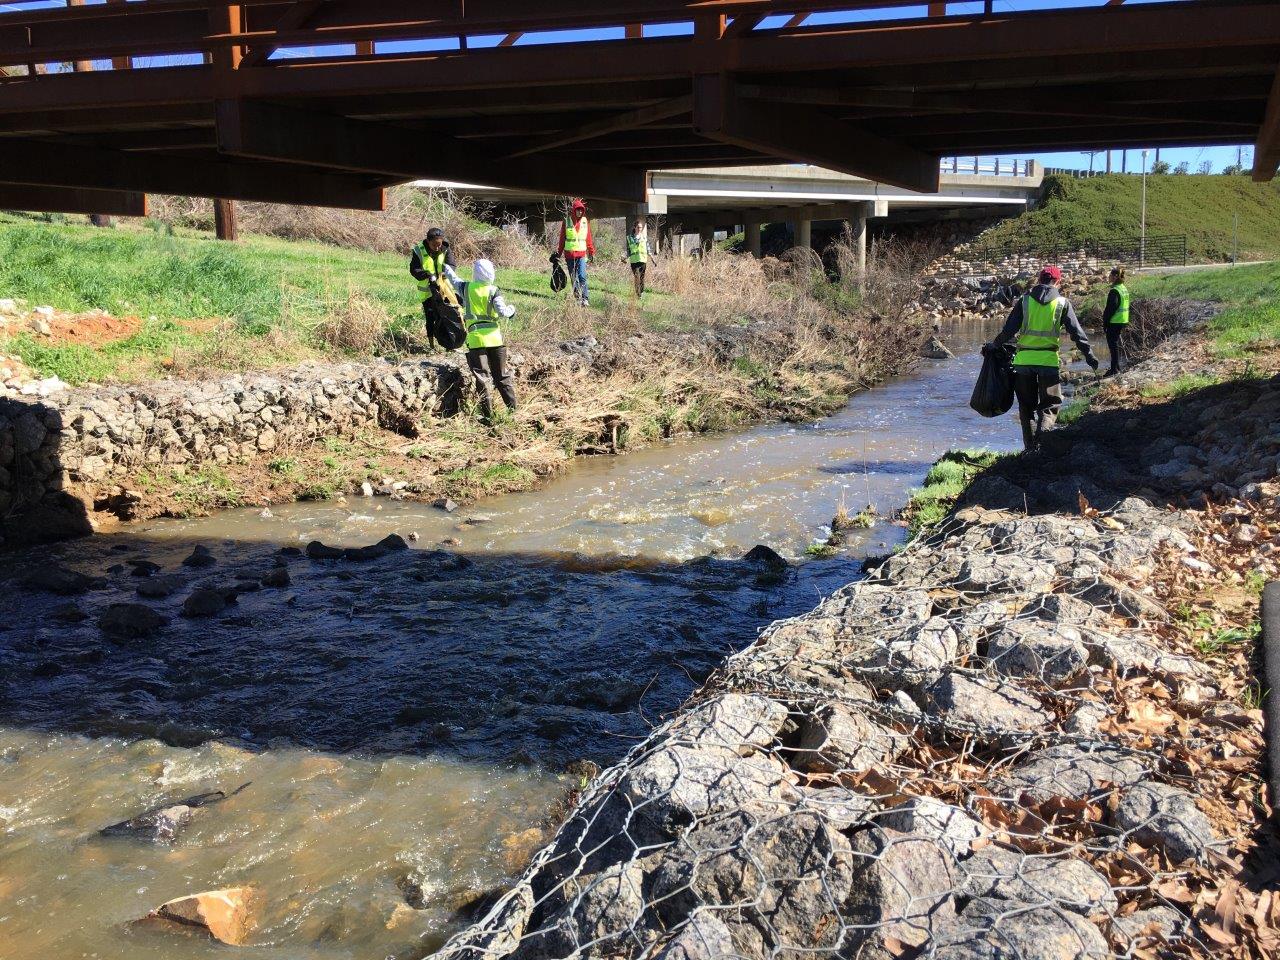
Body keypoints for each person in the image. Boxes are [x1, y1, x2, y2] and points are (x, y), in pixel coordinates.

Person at [990, 265, 1099, 450]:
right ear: (1058, 282)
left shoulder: (1024, 301)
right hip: (1048, 362)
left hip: (1023, 362)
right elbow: (1078, 334)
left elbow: (1009, 331)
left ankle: (1030, 449)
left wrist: (994, 345)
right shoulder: (1063, 303)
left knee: (1026, 407)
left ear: (1039, 280)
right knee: (1050, 405)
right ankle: (1042, 446)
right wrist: (1089, 356)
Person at [458, 259, 518, 420]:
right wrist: (512, 310)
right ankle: (513, 411)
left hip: (476, 340)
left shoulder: (466, 287)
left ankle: (488, 416)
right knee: (502, 376)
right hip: (495, 340)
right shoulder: (494, 290)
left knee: (482, 379)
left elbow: (452, 279)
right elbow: (503, 311)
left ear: (475, 273)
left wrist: (445, 266)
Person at [409, 228, 461, 350]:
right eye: (434, 245)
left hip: (444, 290)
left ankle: (449, 344)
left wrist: (444, 274)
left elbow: (452, 265)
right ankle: (431, 346)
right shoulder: (419, 250)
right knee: (430, 317)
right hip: (427, 292)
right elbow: (414, 270)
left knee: (446, 316)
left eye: (439, 245)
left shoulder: (446, 248)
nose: (437, 247)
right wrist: (428, 275)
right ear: (428, 241)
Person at [558, 198, 595, 306]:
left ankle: (585, 298)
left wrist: (591, 252)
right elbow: (562, 239)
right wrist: (558, 254)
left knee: (582, 276)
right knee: (574, 278)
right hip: (569, 255)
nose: (579, 212)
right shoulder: (567, 221)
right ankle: (578, 298)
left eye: (581, 210)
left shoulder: (585, 222)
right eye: (578, 210)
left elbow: (588, 238)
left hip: (582, 255)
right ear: (574, 210)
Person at [1102, 265, 1130, 377]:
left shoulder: (1115, 290)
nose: (1108, 277)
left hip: (1114, 321)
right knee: (1115, 344)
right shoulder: (1123, 288)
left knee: (1112, 345)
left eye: (1110, 275)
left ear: (1114, 276)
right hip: (1122, 319)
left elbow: (1111, 308)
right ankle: (1116, 367)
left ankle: (1114, 369)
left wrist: (1105, 322)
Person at [627, 218, 649, 299]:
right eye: (638, 227)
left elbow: (648, 248)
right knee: (637, 277)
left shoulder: (644, 237)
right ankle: (638, 293)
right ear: (635, 227)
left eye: (641, 227)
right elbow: (629, 250)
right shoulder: (630, 238)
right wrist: (625, 257)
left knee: (642, 278)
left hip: (643, 260)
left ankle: (641, 292)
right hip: (634, 261)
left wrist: (652, 258)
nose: (640, 229)